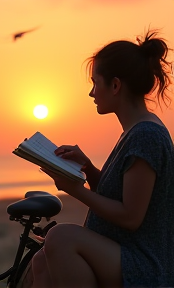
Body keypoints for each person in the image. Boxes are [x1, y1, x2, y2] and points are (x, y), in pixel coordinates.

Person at [30, 29, 174, 288]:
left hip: (144, 266)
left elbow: (131, 217)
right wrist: (89, 169)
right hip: (125, 253)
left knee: (61, 237)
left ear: (116, 85)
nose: (91, 92)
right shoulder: (135, 131)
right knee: (40, 261)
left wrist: (75, 190)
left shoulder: (146, 135)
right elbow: (121, 196)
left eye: (95, 82)